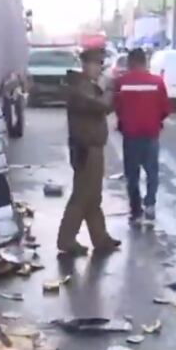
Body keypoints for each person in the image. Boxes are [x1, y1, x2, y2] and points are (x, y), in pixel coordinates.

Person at [56, 46, 121, 256]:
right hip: (86, 148)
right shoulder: (79, 88)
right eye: (96, 64)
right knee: (82, 196)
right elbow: (103, 106)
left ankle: (100, 238)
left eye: (101, 65)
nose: (99, 69)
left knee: (93, 196)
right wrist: (109, 89)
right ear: (86, 64)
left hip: (93, 147)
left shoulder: (85, 86)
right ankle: (66, 239)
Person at [113, 48, 171, 224]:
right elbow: (165, 109)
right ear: (145, 62)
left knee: (132, 174)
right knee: (152, 171)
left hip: (131, 135)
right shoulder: (157, 82)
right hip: (151, 134)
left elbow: (117, 107)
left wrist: (124, 121)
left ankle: (136, 211)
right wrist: (155, 120)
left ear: (130, 63)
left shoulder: (121, 82)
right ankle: (150, 204)